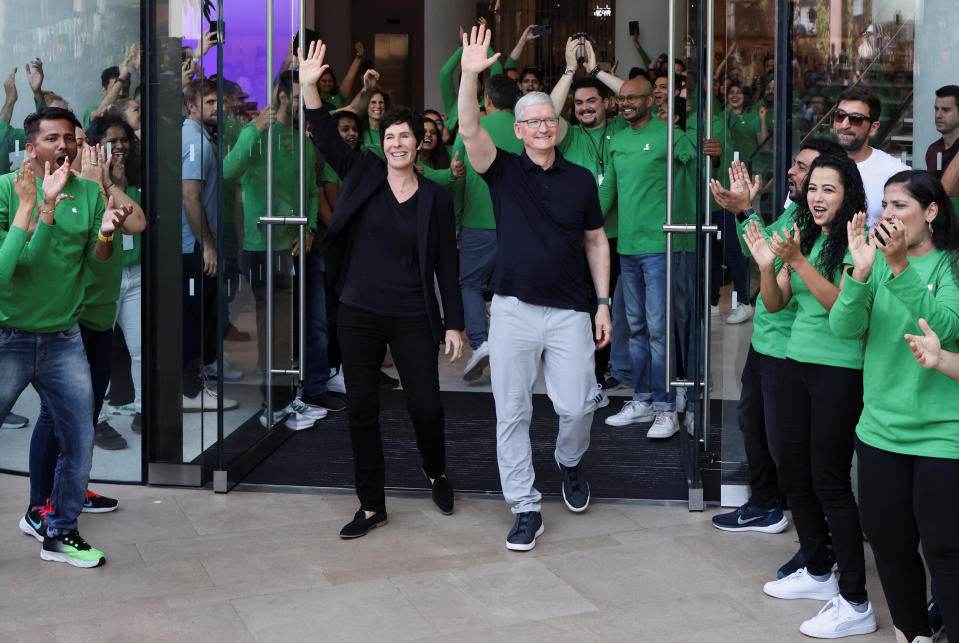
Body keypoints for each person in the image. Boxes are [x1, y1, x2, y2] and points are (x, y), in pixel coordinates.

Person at [301, 39, 465, 539]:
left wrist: (455, 321)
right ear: (383, 141)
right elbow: (326, 136)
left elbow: (445, 263)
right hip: (359, 312)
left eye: (406, 137)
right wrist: (310, 86)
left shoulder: (434, 198)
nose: (397, 144)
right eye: (390, 136)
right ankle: (372, 504)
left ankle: (434, 469)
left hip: (413, 313)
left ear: (420, 143)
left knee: (427, 407)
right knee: (363, 411)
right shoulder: (363, 172)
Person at [458, 25, 611, 552]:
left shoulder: (579, 180)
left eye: (550, 118)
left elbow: (595, 242)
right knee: (512, 412)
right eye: (533, 121)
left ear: (558, 127)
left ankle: (568, 461)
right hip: (513, 311)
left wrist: (604, 302)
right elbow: (469, 126)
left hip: (571, 311)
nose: (543, 126)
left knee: (577, 407)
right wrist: (469, 75)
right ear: (518, 131)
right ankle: (525, 506)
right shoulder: (501, 173)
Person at [744, 153, 876, 639]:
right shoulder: (807, 235)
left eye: (829, 190)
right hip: (795, 363)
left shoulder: (854, 243)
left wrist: (796, 259)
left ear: (848, 197)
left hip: (838, 372)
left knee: (830, 481)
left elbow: (842, 306)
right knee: (794, 473)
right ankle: (819, 571)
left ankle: (856, 600)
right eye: (813, 188)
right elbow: (776, 302)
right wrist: (767, 266)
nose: (817, 197)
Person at [1, 107, 133, 567]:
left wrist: (107, 236)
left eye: (67, 139)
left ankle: (60, 532)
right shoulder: (5, 190)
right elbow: (7, 272)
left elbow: (97, 263)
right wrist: (38, 209)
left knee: (78, 440)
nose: (62, 146)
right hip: (9, 336)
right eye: (51, 138)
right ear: (30, 145)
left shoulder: (89, 193)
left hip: (63, 338)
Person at [831, 171, 959, 643]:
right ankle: (915, 632)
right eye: (885, 204)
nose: (889, 215)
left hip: (945, 432)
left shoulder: (951, 264)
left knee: (945, 551)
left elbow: (947, 329)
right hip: (881, 429)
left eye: (901, 205)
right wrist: (860, 275)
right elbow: (844, 328)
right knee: (889, 542)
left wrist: (901, 266)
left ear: (930, 212)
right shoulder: (873, 259)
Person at [709, 138, 846, 537]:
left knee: (784, 446)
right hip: (764, 343)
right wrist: (743, 213)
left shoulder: (818, 228)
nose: (792, 172)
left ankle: (808, 533)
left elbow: (769, 258)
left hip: (787, 352)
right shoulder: (796, 214)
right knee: (753, 427)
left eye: (803, 168)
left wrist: (745, 211)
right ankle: (765, 505)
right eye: (795, 165)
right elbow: (762, 252)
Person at [223, 70, 331, 426]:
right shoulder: (255, 133)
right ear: (281, 95)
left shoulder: (303, 137)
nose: (302, 102)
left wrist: (311, 226)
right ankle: (274, 403)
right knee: (275, 329)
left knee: (303, 324)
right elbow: (228, 170)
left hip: (299, 242)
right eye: (298, 95)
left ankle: (298, 394)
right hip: (264, 243)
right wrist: (255, 129)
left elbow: (313, 190)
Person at [600, 75, 696, 438]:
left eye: (632, 98)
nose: (625, 104)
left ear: (650, 102)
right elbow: (609, 188)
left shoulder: (669, 134)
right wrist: (581, 223)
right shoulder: (618, 140)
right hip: (628, 248)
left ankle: (666, 407)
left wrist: (714, 156)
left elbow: (700, 166)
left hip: (660, 248)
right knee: (636, 330)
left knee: (659, 331)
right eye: (621, 99)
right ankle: (642, 400)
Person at [549, 37, 627, 397]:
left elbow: (633, 94)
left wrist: (595, 70)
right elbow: (547, 114)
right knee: (575, 312)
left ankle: (597, 377)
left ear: (606, 103)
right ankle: (577, 377)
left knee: (604, 310)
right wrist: (569, 70)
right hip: (572, 239)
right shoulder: (567, 136)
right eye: (578, 103)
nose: (583, 108)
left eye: (591, 100)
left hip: (611, 239)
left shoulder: (623, 129)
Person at [455, 73, 523, 381]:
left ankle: (481, 343)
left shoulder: (472, 128)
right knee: (512, 288)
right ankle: (514, 350)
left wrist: (456, 221)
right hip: (517, 224)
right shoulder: (524, 130)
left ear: (488, 100)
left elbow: (457, 180)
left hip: (476, 222)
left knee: (470, 284)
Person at [181, 78, 238, 413]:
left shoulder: (199, 138)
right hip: (192, 248)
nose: (217, 108)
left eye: (220, 102)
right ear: (191, 105)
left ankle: (196, 380)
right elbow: (190, 197)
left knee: (200, 317)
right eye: (210, 102)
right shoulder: (195, 142)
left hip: (194, 245)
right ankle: (189, 392)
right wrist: (208, 246)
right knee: (192, 319)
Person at [834, 84, 909, 225]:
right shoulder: (815, 165)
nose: (844, 125)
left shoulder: (896, 172)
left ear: (873, 128)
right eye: (839, 116)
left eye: (855, 119)